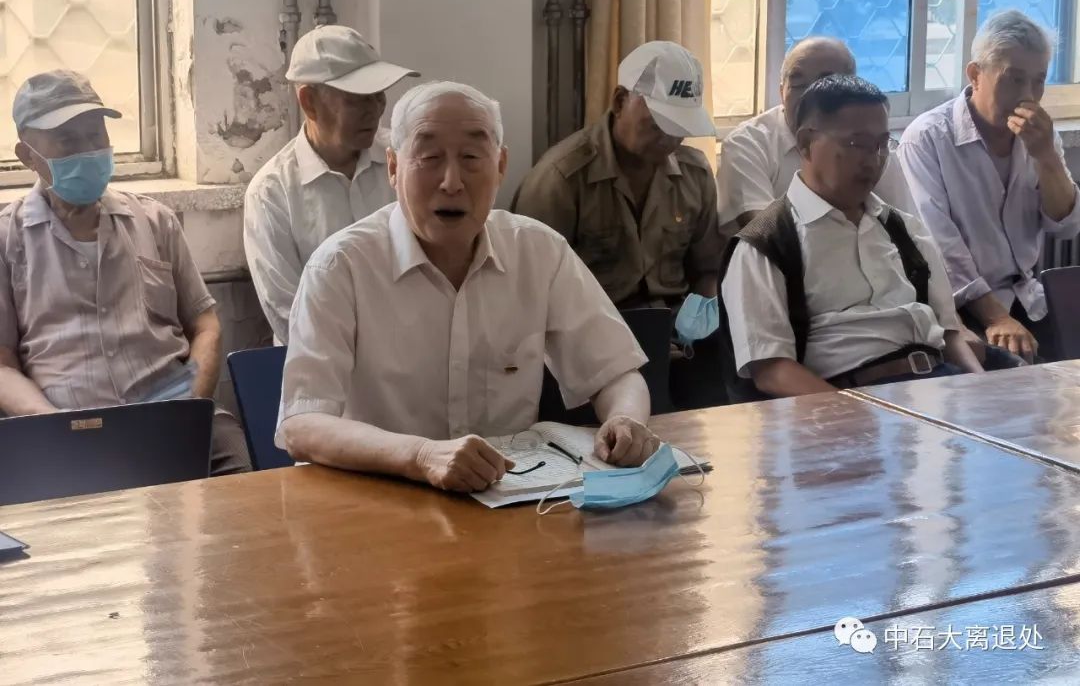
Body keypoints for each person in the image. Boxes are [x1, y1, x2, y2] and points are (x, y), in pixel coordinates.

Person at [278, 81, 659, 493]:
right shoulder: (341, 266)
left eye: (472, 158)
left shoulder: (538, 251)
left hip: (508, 496)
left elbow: (616, 373)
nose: (451, 182)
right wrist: (420, 456)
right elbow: (302, 424)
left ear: (501, 165)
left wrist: (625, 419)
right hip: (381, 498)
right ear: (393, 167)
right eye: (429, 158)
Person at [0, 70, 250, 474]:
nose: (89, 150)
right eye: (68, 141)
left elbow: (205, 325)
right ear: (27, 155)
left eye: (95, 136)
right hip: (68, 430)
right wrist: (52, 424)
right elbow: (2, 364)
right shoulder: (7, 240)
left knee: (245, 488)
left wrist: (191, 406)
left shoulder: (156, 221)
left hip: (173, 412)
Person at [720, 75, 983, 400]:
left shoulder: (905, 230)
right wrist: (853, 416)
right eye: (857, 144)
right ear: (805, 143)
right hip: (849, 400)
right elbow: (772, 370)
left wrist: (980, 389)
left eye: (882, 144)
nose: (873, 160)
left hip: (937, 387)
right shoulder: (766, 245)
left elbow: (950, 334)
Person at [898, 10, 1080, 362]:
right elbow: (939, 247)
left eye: (1039, 81)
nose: (1028, 96)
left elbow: (1067, 225)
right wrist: (996, 317)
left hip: (1029, 297)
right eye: (1014, 79)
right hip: (962, 306)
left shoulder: (1042, 137)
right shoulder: (928, 139)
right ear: (975, 75)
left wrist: (1046, 157)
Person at [511, 41, 723, 311]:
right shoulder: (560, 179)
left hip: (675, 324)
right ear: (620, 101)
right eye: (658, 125)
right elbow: (531, 289)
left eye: (681, 128)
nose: (670, 140)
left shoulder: (695, 174)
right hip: (590, 325)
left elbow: (708, 270)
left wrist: (703, 320)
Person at [244, 25, 419, 343]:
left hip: (412, 351)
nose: (375, 110)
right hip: (323, 361)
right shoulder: (272, 194)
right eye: (358, 99)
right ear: (309, 102)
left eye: (379, 95)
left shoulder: (405, 161)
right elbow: (288, 314)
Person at [717, 37, 916, 229]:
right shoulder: (748, 144)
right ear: (781, 91)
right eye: (798, 85)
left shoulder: (876, 145)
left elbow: (906, 226)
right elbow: (764, 234)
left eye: (825, 85)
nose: (808, 96)